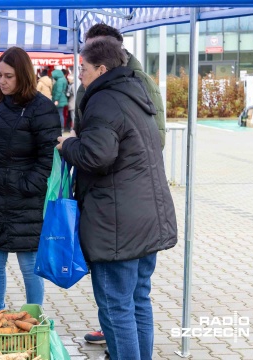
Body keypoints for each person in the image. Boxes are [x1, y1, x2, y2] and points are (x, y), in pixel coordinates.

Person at [56, 37, 177, 360]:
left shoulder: (104, 101)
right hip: (145, 220)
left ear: (101, 69)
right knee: (138, 302)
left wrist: (67, 145)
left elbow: (97, 155)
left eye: (82, 69)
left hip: (118, 227)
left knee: (117, 308)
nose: (78, 75)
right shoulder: (134, 94)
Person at [0, 46, 60, 311]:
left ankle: (34, 318)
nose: (2, 81)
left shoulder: (41, 108)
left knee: (29, 263)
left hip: (26, 199)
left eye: (8, 76)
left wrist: (29, 185)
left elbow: (49, 156)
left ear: (23, 75)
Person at [75, 23, 166, 148]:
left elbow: (157, 138)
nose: (91, 54)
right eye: (88, 49)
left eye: (98, 47)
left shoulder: (140, 80)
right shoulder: (84, 86)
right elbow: (79, 131)